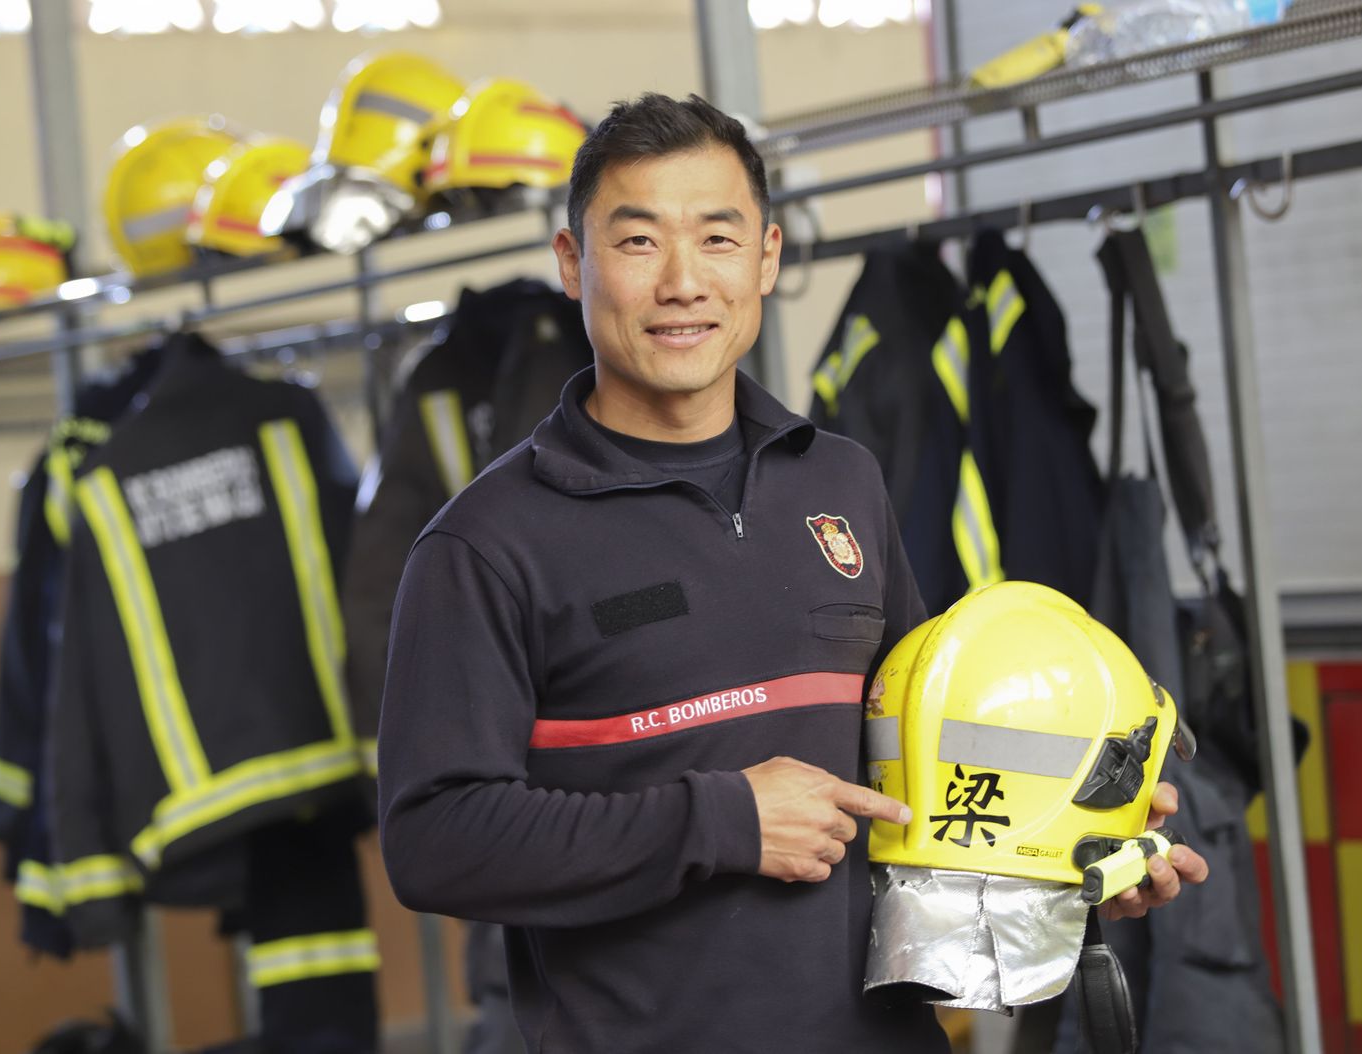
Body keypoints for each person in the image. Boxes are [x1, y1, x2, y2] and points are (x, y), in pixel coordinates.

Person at [377, 92, 1207, 1053]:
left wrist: (1068, 847)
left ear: (766, 257)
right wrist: (719, 822)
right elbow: (436, 843)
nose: (684, 282)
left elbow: (924, 759)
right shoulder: (485, 546)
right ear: (574, 264)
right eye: (639, 242)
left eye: (718, 239)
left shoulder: (843, 479)